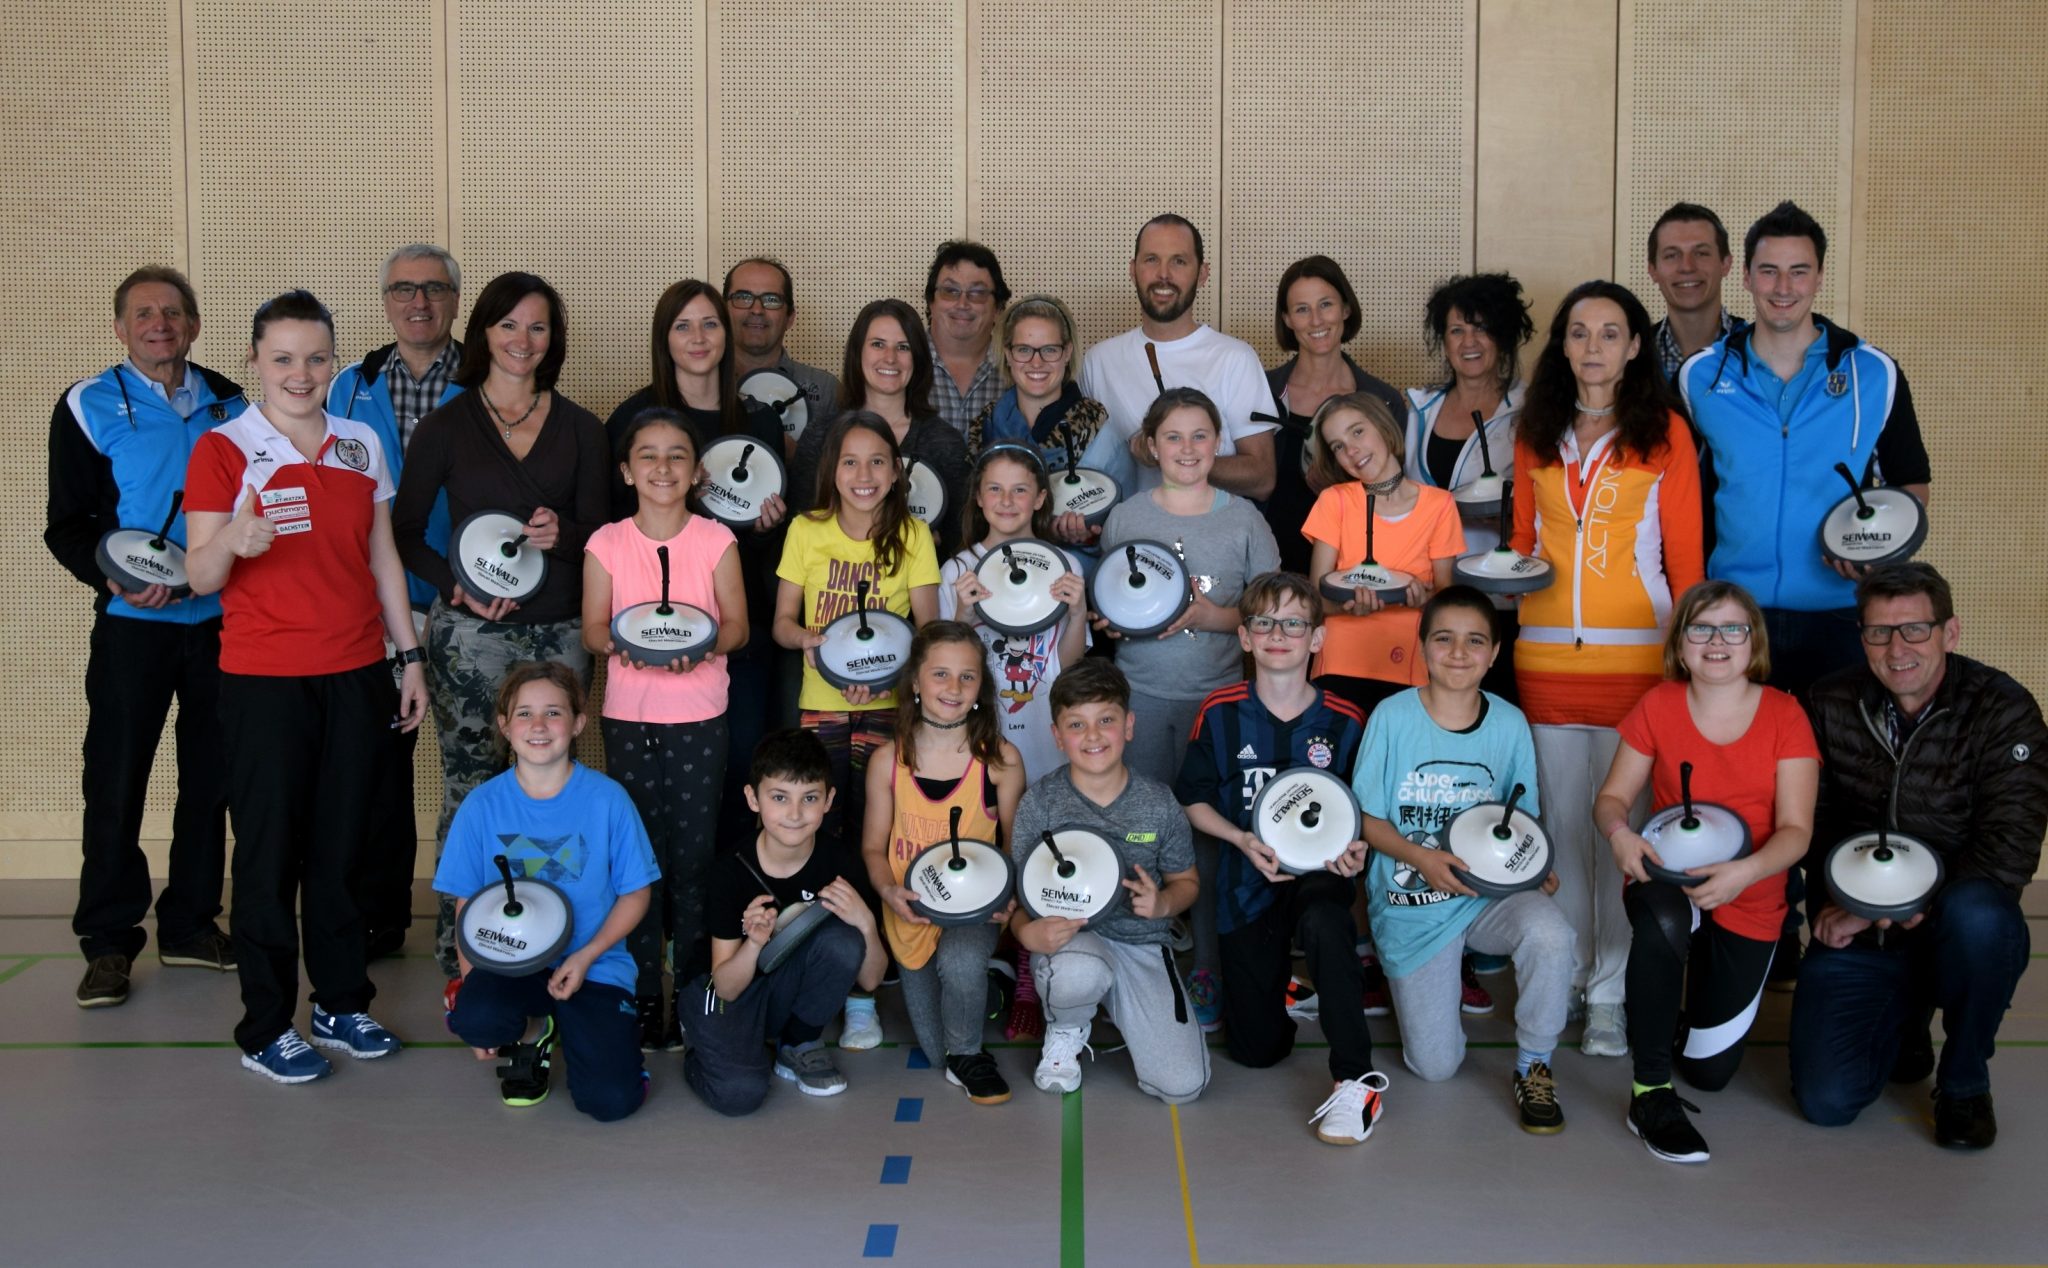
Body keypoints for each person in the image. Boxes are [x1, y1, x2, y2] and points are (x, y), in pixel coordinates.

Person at [183, 290, 428, 1083]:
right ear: (255, 360)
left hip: (356, 673)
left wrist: (410, 656)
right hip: (264, 684)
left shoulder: (360, 442)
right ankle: (264, 1027)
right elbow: (197, 574)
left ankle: (340, 1002)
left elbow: (383, 559)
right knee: (267, 855)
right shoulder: (224, 449)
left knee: (341, 847)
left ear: (333, 361)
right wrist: (234, 539)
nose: (301, 373)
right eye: (283, 358)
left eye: (316, 358)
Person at [393, 271, 608, 993]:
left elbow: (606, 533)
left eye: (538, 327)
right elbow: (402, 533)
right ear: (483, 332)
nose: (524, 340)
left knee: (549, 788)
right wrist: (451, 587)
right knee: (471, 788)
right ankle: (462, 945)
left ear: (555, 340)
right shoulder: (447, 427)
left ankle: (542, 929)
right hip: (471, 643)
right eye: (509, 325)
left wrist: (564, 532)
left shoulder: (582, 428)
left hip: (561, 637)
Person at [1510, 279, 1704, 1057]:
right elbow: (1521, 547)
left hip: (1639, 668)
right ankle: (1571, 977)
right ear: (1563, 345)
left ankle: (1611, 995)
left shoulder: (1666, 436)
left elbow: (1686, 560)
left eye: (1611, 332)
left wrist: (1692, 662)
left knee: (1621, 832)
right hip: (1545, 662)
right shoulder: (1537, 430)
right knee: (1561, 832)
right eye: (1580, 332)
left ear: (1633, 346)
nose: (1594, 346)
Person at [1790, 563, 2046, 1149]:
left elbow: (2011, 846)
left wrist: (1912, 907)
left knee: (1983, 918)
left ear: (1950, 633)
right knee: (1826, 1101)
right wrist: (1845, 903)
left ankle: (1963, 1082)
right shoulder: (1829, 701)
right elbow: (1813, 821)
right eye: (1880, 632)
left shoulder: (2002, 708)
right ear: (1863, 638)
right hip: (1860, 923)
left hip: (1952, 918)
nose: (1897, 648)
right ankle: (1904, 1018)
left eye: (1915, 630)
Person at [46, 266, 247, 1008]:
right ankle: (107, 941)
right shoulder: (87, 404)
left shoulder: (231, 402)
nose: (159, 323)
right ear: (121, 328)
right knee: (117, 779)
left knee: (210, 781)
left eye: (172, 312)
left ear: (193, 325)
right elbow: (66, 524)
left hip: (219, 624)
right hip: (133, 628)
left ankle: (191, 924)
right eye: (142, 314)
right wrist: (119, 580)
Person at [1594, 580, 1819, 1164]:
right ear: (1681, 642)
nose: (1716, 641)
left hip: (1751, 886)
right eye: (1701, 628)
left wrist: (1744, 873)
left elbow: (1796, 831)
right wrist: (1620, 835)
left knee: (1709, 1073)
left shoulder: (1786, 714)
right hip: (1671, 877)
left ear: (1753, 642)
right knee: (1662, 923)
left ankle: (1676, 1019)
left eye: (1732, 629)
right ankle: (1648, 1093)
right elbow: (1612, 799)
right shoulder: (1659, 704)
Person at [1677, 199, 1932, 696]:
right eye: (1769, 271)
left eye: (1799, 271)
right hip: (1734, 617)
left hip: (1843, 613)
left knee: (1836, 767)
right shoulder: (1700, 377)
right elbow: (1669, 488)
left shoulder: (1872, 372)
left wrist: (1880, 553)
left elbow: (1911, 483)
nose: (1784, 288)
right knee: (1739, 770)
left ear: (1818, 277)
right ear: (1746, 278)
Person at [1353, 586, 1574, 1134]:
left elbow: (1523, 822)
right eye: (1444, 639)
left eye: (1475, 641)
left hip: (1486, 898)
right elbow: (1363, 818)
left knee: (1553, 934)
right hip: (1415, 899)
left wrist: (1534, 870)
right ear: (1423, 648)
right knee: (1435, 1068)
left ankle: (1535, 1062)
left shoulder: (1509, 724)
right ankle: (1423, 974)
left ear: (1495, 653)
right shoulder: (1391, 716)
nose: (1458, 652)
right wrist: (1419, 858)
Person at [1176, 572, 1383, 1143]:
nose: (1278, 634)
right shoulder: (1219, 712)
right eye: (1264, 622)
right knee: (1257, 1052)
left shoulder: (1345, 719)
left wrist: (1354, 850)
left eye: (1294, 623)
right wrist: (1241, 839)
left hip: (1319, 879)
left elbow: (1362, 810)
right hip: (1248, 877)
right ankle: (1287, 989)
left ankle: (1356, 1081)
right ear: (1244, 638)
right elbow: (1192, 797)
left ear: (1317, 638)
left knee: (1324, 921)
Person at [603, 279, 792, 868]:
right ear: (665, 337)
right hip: (654, 638)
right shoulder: (636, 418)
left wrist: (766, 527)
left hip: (744, 628)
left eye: (710, 323)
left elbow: (783, 534)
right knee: (658, 787)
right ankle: (659, 916)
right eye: (683, 325)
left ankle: (729, 903)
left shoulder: (757, 420)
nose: (698, 337)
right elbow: (613, 527)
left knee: (741, 764)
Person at [774, 413, 941, 1048]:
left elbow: (927, 631)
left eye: (878, 461)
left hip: (887, 711)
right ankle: (819, 971)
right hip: (821, 707)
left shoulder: (915, 535)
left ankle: (864, 993)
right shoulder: (805, 531)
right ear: (832, 471)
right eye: (850, 461)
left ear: (896, 471)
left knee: (878, 837)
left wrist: (890, 677)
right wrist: (816, 644)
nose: (864, 474)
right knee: (819, 836)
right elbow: (782, 624)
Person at [583, 407, 748, 1051]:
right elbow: (595, 628)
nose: (662, 466)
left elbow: (736, 625)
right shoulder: (606, 542)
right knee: (640, 863)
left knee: (693, 860)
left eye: (677, 454)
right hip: (629, 718)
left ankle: (693, 991)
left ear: (697, 471)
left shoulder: (716, 540)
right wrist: (624, 647)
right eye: (647, 455)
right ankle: (645, 993)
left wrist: (704, 647)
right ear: (626, 471)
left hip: (700, 718)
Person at [436, 662, 657, 1121]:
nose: (538, 726)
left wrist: (585, 956)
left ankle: (592, 1033)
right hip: (514, 965)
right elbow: (467, 907)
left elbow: (636, 894)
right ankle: (533, 1031)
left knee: (611, 1103)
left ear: (578, 723)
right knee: (475, 1016)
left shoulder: (608, 799)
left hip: (592, 965)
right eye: (524, 714)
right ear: (505, 726)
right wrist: (476, 988)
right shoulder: (481, 805)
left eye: (553, 713)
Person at [329, 244, 465, 962]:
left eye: (435, 289)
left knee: (479, 764)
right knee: (379, 767)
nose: (419, 303)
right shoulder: (349, 386)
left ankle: (481, 917)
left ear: (454, 300)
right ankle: (378, 917)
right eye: (404, 290)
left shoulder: (489, 378)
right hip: (378, 609)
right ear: (385, 301)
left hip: (470, 601)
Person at [1012, 660, 1210, 1105]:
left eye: (1106, 720)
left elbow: (1187, 882)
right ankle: (1066, 1028)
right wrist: (1027, 931)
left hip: (1141, 944)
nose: (1094, 736)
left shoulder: (1159, 803)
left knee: (1182, 1086)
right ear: (1058, 736)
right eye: (1077, 725)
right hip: (1073, 944)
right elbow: (1019, 900)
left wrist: (1163, 905)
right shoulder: (1039, 803)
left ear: (1130, 726)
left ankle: (1125, 1008)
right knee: (1079, 970)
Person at [864, 622, 1026, 1103]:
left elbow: (1016, 846)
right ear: (915, 681)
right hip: (909, 909)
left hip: (972, 911)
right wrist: (888, 893)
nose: (952, 688)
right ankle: (989, 987)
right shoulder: (887, 760)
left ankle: (973, 1001)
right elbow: (873, 848)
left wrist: (1011, 899)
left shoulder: (1000, 760)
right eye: (939, 674)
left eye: (967, 677)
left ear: (982, 686)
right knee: (938, 1053)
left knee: (961, 1038)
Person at [686, 729, 887, 1113]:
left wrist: (865, 923)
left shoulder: (841, 862)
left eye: (809, 798)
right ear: (753, 798)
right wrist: (755, 942)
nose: (795, 814)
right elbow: (725, 987)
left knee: (844, 940)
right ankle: (705, 1044)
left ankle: (798, 1042)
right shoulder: (729, 871)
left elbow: (871, 979)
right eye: (779, 798)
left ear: (828, 800)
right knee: (740, 1094)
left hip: (781, 990)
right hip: (725, 992)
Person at [1402, 273, 1535, 703]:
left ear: (1505, 336)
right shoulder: (1420, 408)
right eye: (1456, 330)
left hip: (1504, 601)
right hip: (1431, 596)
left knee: (1499, 713)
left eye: (1481, 328)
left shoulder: (1531, 411)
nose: (1468, 341)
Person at [1080, 214, 1279, 500]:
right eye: (1151, 260)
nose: (1163, 274)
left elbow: (1262, 478)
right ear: (1133, 270)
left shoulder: (1236, 358)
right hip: (1126, 540)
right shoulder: (1098, 362)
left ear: (1202, 274)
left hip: (1211, 538)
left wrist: (1173, 457)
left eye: (1179, 261)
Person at [1304, 392, 1466, 720]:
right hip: (1339, 665)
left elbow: (1447, 600)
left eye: (1357, 431)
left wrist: (1423, 600)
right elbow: (1315, 601)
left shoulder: (1440, 505)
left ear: (1384, 428)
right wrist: (1349, 608)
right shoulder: (1333, 501)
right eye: (1337, 445)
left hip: (1412, 668)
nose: (1351, 450)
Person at [938, 444, 1088, 782]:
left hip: (1045, 729)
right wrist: (963, 616)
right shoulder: (957, 570)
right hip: (979, 733)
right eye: (995, 489)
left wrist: (1078, 615)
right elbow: (941, 669)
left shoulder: (1066, 566)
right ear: (978, 496)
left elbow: (1067, 667)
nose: (1006, 501)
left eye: (1019, 490)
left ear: (1039, 499)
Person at [789, 298, 972, 557]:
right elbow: (798, 528)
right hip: (835, 592)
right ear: (858, 352)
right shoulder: (822, 434)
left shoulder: (945, 443)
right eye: (877, 344)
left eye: (903, 347)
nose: (890, 358)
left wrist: (930, 548)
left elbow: (962, 543)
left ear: (918, 357)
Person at [1265, 256, 1405, 576]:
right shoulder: (1261, 391)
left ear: (1345, 309)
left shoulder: (1383, 401)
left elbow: (1398, 495)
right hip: (1267, 572)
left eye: (1325, 304)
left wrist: (1341, 486)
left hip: (1357, 573)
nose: (1316, 320)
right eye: (1302, 309)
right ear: (1287, 319)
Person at [961, 295, 1115, 547]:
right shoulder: (982, 431)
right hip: (995, 573)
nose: (1036, 362)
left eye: (1049, 350)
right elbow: (970, 519)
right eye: (1023, 350)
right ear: (1008, 355)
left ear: (1067, 353)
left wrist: (1090, 538)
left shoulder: (1100, 432)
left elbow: (1121, 525)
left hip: (1073, 577)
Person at [724, 256, 840, 446]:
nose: (757, 310)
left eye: (771, 300)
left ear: (790, 318)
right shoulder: (701, 387)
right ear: (722, 311)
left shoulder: (827, 390)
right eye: (743, 298)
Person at [1643, 203, 1737, 381]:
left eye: (1701, 253)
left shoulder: (1756, 351)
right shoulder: (1632, 357)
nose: (1687, 267)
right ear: (1653, 270)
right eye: (1672, 255)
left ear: (1725, 264)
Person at [924, 240, 1010, 434]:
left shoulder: (1019, 368)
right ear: (931, 302)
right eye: (950, 291)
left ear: (998, 308)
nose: (962, 304)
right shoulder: (900, 363)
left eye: (977, 293)